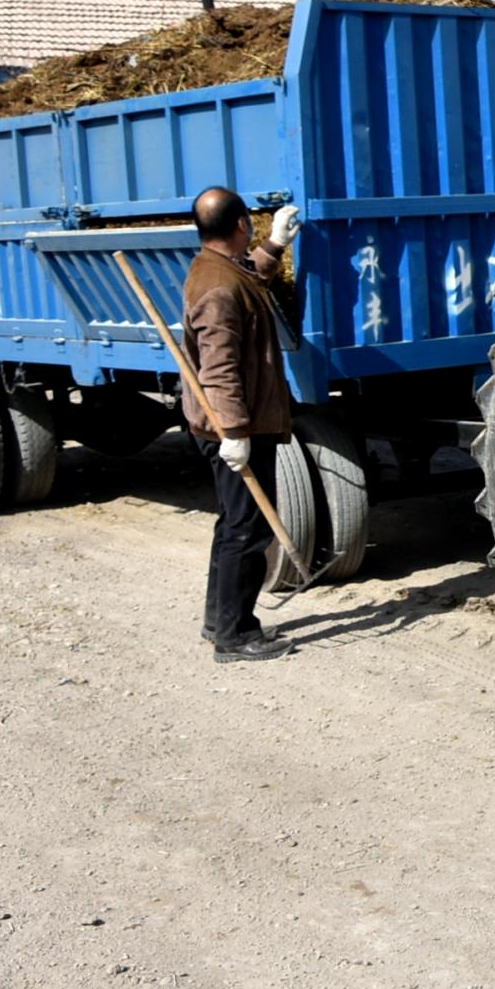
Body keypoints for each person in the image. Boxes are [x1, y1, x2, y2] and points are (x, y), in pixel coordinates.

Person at [183, 186, 301, 663]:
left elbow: (251, 278)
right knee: (247, 531)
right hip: (233, 428)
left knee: (234, 524)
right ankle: (233, 637)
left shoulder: (217, 269)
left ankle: (222, 620)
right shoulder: (218, 289)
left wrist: (274, 246)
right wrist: (234, 433)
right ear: (239, 225)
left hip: (234, 425)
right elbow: (219, 370)